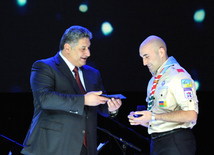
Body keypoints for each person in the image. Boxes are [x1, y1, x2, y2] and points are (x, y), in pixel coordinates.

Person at [21, 25, 122, 155]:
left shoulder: (93, 73)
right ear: (67, 48)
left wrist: (111, 108)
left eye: (88, 48)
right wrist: (84, 100)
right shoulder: (44, 67)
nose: (88, 53)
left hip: (86, 148)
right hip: (53, 147)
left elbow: (101, 105)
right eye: (83, 49)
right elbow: (45, 99)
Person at [128, 35, 198, 155]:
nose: (144, 63)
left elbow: (191, 115)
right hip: (156, 142)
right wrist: (143, 120)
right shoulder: (154, 80)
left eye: (147, 57)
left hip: (175, 142)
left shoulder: (178, 76)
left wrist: (154, 117)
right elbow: (157, 117)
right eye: (142, 58)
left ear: (161, 52)